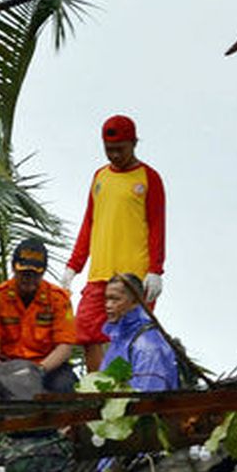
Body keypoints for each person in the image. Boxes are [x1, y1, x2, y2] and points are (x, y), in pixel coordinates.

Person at [63, 115, 165, 369]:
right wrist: (73, 266)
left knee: (132, 336)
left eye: (120, 149)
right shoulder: (100, 177)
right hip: (100, 273)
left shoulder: (148, 178)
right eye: (109, 150)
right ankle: (97, 390)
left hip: (134, 277)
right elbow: (90, 222)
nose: (115, 155)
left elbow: (157, 227)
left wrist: (155, 270)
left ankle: (128, 393)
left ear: (133, 143)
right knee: (86, 332)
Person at [0, 237, 79, 393]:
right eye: (24, 274)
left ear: (43, 272)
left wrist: (39, 371)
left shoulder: (59, 299)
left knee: (65, 386)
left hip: (48, 367)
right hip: (8, 366)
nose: (29, 279)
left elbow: (65, 347)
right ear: (13, 268)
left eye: (35, 274)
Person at [99, 273, 180, 392]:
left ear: (135, 301)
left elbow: (148, 398)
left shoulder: (148, 345)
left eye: (115, 299)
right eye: (107, 299)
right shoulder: (120, 337)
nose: (108, 305)